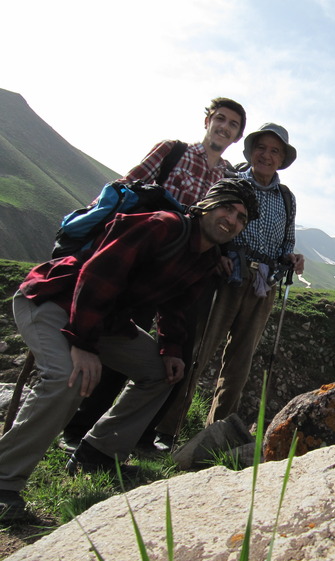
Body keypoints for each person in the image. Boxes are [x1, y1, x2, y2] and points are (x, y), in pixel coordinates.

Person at [0, 179, 258, 522]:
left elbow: (176, 309)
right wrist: (82, 343)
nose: (232, 220)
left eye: (241, 218)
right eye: (228, 208)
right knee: (69, 376)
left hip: (104, 320)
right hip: (55, 301)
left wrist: (171, 351)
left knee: (160, 374)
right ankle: (5, 483)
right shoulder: (162, 226)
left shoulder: (205, 258)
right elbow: (96, 276)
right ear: (206, 206)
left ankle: (98, 452)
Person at [60, 98, 247, 453]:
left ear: (237, 136)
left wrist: (220, 253)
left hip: (184, 271)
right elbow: (128, 185)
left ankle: (139, 434)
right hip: (141, 259)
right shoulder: (173, 151)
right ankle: (81, 430)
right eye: (220, 119)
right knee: (119, 339)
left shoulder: (227, 176)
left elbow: (219, 222)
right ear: (207, 120)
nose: (224, 127)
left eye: (233, 124)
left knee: (175, 349)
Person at [159, 123, 304, 431]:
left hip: (263, 285)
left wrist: (290, 258)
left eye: (274, 151)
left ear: (282, 159)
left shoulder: (287, 198)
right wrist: (218, 256)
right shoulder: (231, 182)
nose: (266, 155)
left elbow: (286, 242)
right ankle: (166, 427)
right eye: (261, 148)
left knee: (240, 361)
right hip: (224, 277)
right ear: (251, 151)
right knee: (200, 350)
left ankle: (217, 432)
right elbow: (207, 224)